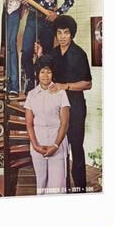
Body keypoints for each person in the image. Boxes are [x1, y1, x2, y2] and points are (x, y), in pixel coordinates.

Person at [36, 15, 92, 192]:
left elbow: (88, 83)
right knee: (59, 150)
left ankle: (81, 189)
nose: (62, 37)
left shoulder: (79, 54)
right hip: (57, 109)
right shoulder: (52, 53)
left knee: (76, 148)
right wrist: (39, 57)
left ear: (72, 34)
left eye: (66, 33)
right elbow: (44, 73)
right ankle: (63, 189)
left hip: (75, 107)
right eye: (59, 33)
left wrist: (65, 86)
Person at [24, 55, 70, 195]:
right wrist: (36, 145)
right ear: (37, 73)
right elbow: (29, 124)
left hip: (57, 144)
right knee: (41, 185)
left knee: (56, 188)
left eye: (48, 71)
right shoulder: (31, 95)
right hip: (38, 145)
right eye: (42, 71)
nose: (45, 75)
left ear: (53, 73)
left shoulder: (61, 93)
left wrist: (55, 145)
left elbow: (65, 122)